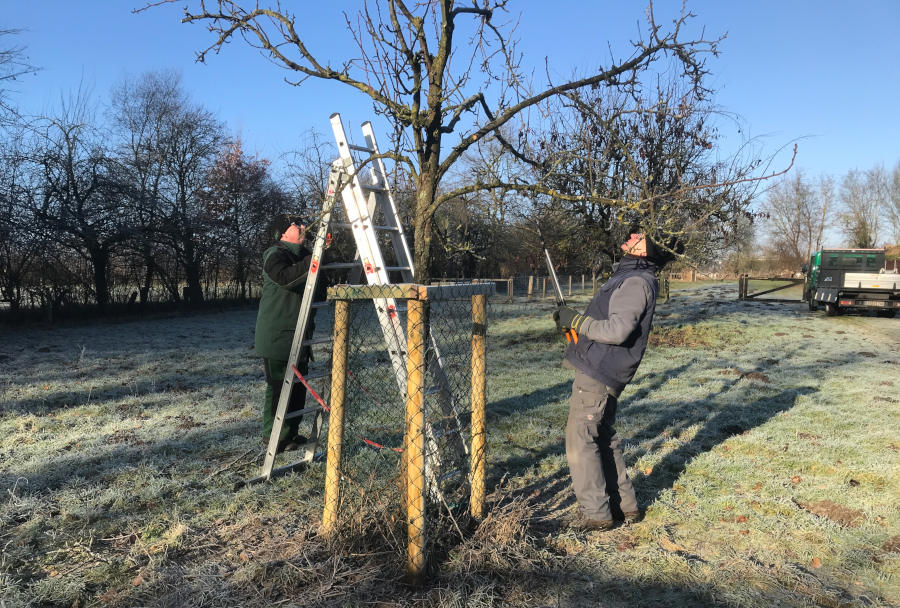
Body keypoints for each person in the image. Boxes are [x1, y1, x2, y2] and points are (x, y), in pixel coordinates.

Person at [554, 232, 680, 531]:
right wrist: (576, 325)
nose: (632, 234)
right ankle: (626, 507)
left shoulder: (636, 281)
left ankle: (596, 515)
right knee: (601, 437)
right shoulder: (631, 276)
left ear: (647, 251)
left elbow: (617, 330)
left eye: (641, 236)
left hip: (600, 370)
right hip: (602, 365)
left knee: (581, 439)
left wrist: (576, 322)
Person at [254, 215, 316, 453]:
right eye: (295, 224)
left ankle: (290, 434)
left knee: (298, 389)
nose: (302, 227)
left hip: (300, 333)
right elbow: (285, 278)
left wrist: (321, 258)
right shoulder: (275, 254)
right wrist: (315, 259)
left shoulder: (303, 256)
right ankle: (273, 437)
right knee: (280, 387)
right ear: (282, 233)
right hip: (278, 334)